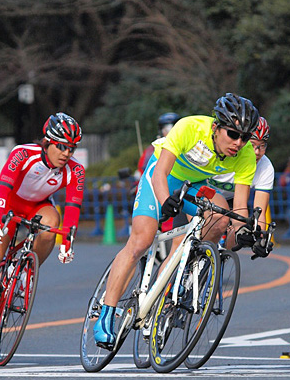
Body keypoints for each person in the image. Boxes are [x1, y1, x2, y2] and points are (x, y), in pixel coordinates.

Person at [93, 93, 262, 348]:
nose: (239, 143)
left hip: (193, 185)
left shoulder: (246, 154)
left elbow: (239, 207)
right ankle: (106, 315)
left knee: (220, 214)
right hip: (161, 178)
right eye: (233, 134)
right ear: (216, 127)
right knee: (142, 240)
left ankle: (185, 266)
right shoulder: (190, 127)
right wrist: (165, 201)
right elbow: (160, 171)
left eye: (245, 137)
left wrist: (242, 233)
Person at [0, 113, 86, 343]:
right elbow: (2, 188)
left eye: (72, 149)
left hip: (39, 207)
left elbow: (73, 208)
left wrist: (67, 243)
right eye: (62, 147)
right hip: (8, 204)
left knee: (52, 223)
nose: (67, 154)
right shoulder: (23, 153)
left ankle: (26, 269)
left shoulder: (75, 171)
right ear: (47, 142)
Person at [208, 116, 275, 230]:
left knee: (237, 231)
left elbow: (260, 212)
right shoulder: (225, 153)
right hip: (205, 193)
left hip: (232, 200)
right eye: (252, 145)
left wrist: (259, 240)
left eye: (262, 145)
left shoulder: (265, 166)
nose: (257, 152)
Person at [137, 112, 181, 177]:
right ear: (161, 130)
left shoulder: (188, 143)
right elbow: (144, 169)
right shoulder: (153, 149)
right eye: (167, 129)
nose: (171, 132)